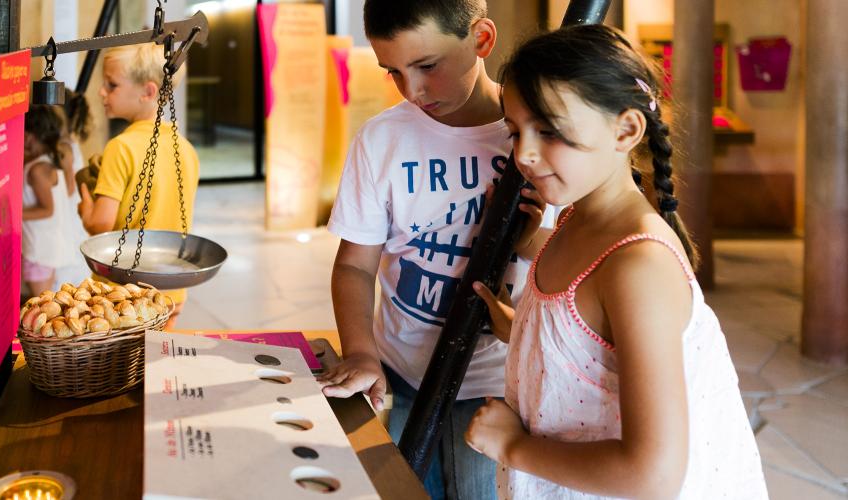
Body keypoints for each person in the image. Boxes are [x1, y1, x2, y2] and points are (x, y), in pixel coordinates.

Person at [465, 24, 768, 499]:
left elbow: (653, 476)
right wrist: (519, 323)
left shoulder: (637, 267)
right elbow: (585, 343)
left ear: (626, 129)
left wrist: (513, 447)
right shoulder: (574, 224)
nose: (523, 153)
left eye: (549, 130)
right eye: (516, 130)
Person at [318, 1, 556, 498]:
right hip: (402, 375)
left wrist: (530, 237)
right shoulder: (381, 139)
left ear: (482, 40)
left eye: (427, 66)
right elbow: (355, 266)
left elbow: (572, 266)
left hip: (502, 386)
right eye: (394, 73)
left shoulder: (536, 143)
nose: (413, 90)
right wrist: (362, 352)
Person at [78, 42, 199, 324]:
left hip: (123, 295)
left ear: (148, 91)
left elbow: (101, 225)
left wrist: (85, 208)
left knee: (123, 366)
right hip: (171, 288)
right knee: (157, 360)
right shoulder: (187, 149)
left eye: (112, 84)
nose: (101, 92)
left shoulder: (120, 148)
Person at [22, 105, 78, 295]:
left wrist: (13, 215)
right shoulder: (50, 161)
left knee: (41, 310)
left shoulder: (38, 169)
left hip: (39, 253)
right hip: (46, 251)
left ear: (30, 135)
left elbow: (47, 209)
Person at [54, 89, 94, 286]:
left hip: (69, 217)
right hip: (71, 219)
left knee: (65, 278)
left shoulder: (65, 147)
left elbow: (68, 190)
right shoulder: (70, 143)